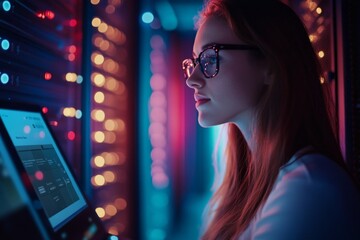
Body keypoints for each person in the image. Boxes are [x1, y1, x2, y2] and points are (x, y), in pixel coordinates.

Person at [181, 0, 360, 239]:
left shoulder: (309, 188)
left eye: (210, 59)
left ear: (270, 63)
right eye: (194, 62)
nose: (192, 79)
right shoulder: (238, 189)